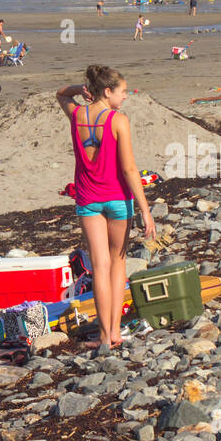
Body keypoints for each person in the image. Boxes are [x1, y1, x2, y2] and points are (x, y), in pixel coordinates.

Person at [56, 66, 156, 349]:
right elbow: (129, 169)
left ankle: (103, 336)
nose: (125, 97)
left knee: (99, 267)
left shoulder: (77, 115)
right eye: (122, 92)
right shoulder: (118, 121)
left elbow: (60, 95)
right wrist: (145, 210)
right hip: (117, 200)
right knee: (117, 264)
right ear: (108, 91)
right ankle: (114, 332)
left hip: (88, 200)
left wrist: (79, 89)